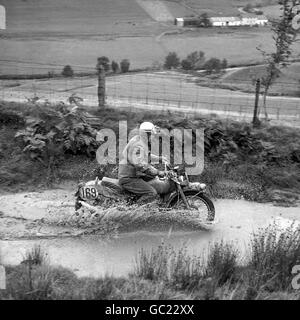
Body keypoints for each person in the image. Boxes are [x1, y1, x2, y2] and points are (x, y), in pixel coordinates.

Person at [118, 121, 168, 204]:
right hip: (129, 178)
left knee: (154, 179)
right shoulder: (138, 145)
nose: (153, 137)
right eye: (152, 135)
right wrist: (158, 172)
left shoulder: (140, 140)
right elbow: (141, 165)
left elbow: (146, 156)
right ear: (146, 134)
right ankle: (135, 211)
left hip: (135, 174)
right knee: (151, 193)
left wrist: (160, 159)